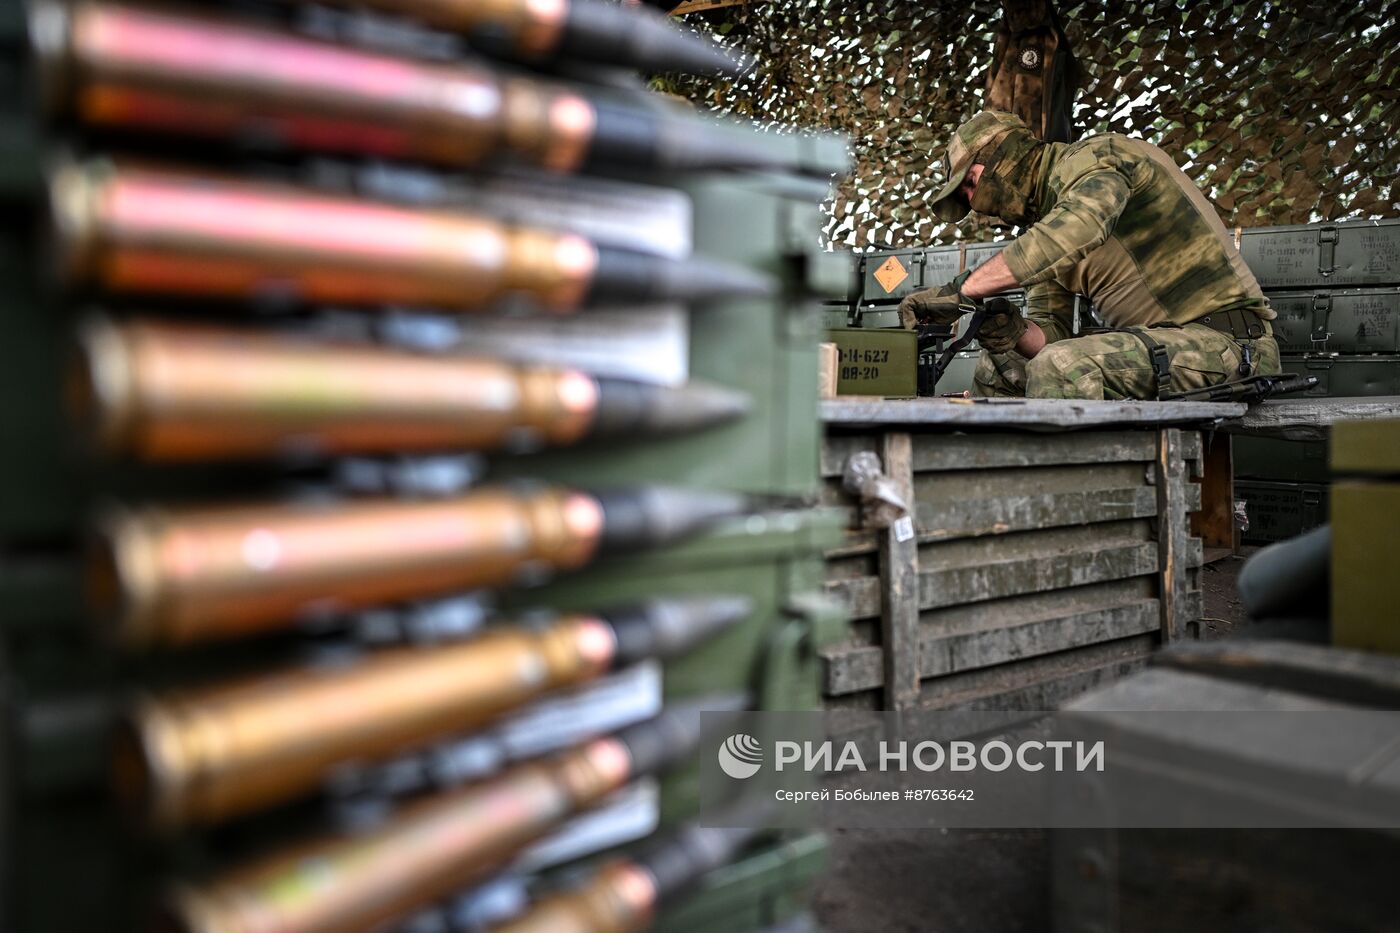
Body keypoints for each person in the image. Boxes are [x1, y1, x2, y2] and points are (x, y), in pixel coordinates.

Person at [898, 110, 1280, 400]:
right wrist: (1015, 333)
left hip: (1228, 344)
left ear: (1004, 157)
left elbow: (1081, 227)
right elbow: (1051, 337)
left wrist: (964, 289)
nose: (975, 202)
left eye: (971, 184)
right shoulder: (1045, 230)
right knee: (999, 367)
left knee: (1065, 367)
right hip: (1164, 346)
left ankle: (1063, 501)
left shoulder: (1098, 156)